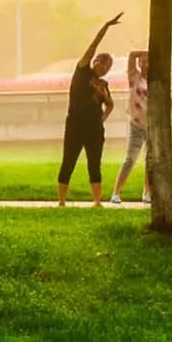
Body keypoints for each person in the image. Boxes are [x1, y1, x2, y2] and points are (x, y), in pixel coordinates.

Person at [57, 14, 120, 207]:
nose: (104, 68)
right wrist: (106, 27)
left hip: (94, 127)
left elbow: (110, 104)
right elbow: (92, 47)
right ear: (95, 62)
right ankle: (61, 201)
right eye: (103, 64)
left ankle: (97, 200)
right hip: (75, 123)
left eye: (108, 67)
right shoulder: (83, 70)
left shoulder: (103, 83)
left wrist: (102, 116)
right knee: (69, 160)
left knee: (95, 163)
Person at [110, 49, 150, 204]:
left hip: (152, 125)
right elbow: (132, 54)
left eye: (148, 62)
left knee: (150, 160)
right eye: (143, 62)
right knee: (130, 158)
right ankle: (116, 192)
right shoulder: (134, 77)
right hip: (136, 124)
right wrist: (146, 52)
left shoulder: (157, 80)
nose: (145, 65)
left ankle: (147, 192)